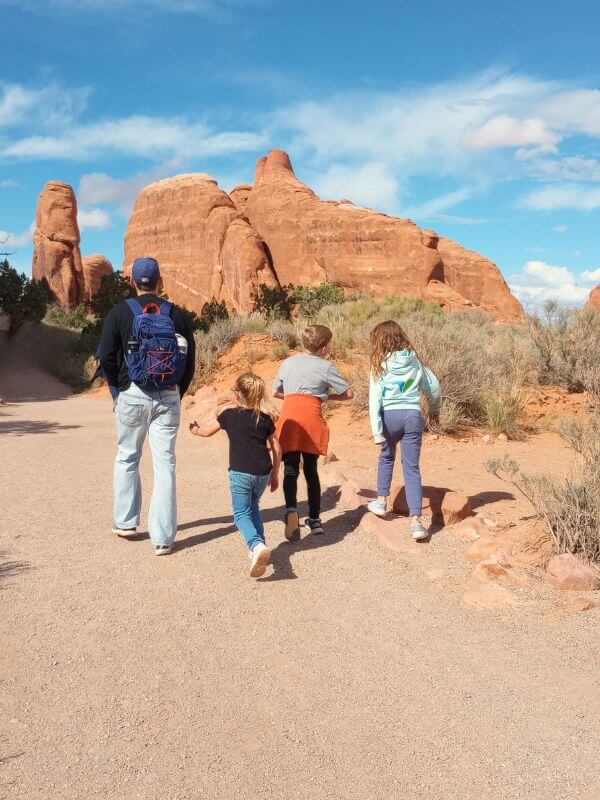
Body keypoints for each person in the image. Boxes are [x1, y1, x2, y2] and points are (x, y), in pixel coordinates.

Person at [97, 257, 195, 555]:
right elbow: (189, 360)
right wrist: (177, 393)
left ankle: (126, 523)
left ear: (132, 282)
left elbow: (106, 358)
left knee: (128, 456)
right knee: (165, 463)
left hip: (132, 394)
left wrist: (118, 390)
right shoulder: (175, 313)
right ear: (160, 282)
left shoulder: (119, 312)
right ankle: (163, 539)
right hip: (167, 393)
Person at [189, 373, 281, 578]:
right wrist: (275, 473)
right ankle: (259, 547)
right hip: (262, 472)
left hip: (241, 472)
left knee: (240, 514)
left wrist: (195, 429)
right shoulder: (264, 418)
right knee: (253, 506)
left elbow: (206, 431)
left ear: (237, 395)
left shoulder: (229, 415)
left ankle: (256, 545)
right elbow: (276, 445)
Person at [273, 324, 353, 540]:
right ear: (325, 348)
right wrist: (324, 397)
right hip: (311, 419)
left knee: (290, 469)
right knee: (311, 470)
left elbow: (276, 391)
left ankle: (291, 510)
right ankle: (315, 520)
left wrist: (293, 394)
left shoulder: (288, 362)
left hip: (289, 417)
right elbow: (348, 394)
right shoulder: (326, 367)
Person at [367, 320, 442, 540]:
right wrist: (435, 410)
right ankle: (417, 523)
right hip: (413, 415)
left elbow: (374, 400)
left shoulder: (379, 363)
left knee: (386, 458)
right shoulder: (414, 361)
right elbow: (434, 386)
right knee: (411, 467)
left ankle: (381, 502)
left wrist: (377, 431)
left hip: (390, 416)